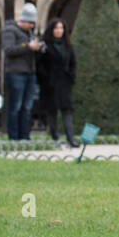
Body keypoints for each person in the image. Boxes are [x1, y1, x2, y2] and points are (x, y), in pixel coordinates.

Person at [2, 3, 44, 140]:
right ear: (24, 20)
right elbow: (8, 50)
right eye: (31, 22)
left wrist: (38, 48)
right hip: (15, 73)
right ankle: (13, 137)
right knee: (16, 106)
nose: (32, 26)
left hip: (29, 73)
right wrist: (28, 47)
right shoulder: (10, 30)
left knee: (27, 107)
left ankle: (25, 136)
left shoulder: (29, 33)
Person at [38, 18, 80, 147]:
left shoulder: (68, 46)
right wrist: (45, 80)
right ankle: (55, 138)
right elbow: (40, 65)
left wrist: (71, 77)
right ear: (52, 30)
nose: (59, 31)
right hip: (50, 84)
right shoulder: (45, 46)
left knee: (67, 111)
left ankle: (70, 138)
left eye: (61, 28)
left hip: (64, 83)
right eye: (56, 28)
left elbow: (73, 63)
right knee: (52, 112)